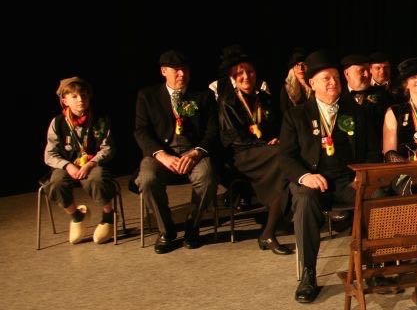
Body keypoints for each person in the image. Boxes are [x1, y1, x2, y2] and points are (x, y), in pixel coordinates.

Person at [278, 50, 381, 303]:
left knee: (378, 194)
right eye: (326, 78)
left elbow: (372, 152)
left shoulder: (357, 112)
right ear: (312, 83)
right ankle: (308, 274)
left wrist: (363, 176)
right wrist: (305, 176)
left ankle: (376, 265)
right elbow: (286, 158)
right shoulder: (296, 115)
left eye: (336, 77)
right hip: (313, 182)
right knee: (304, 200)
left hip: (348, 181)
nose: (333, 82)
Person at [134, 50, 219, 253]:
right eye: (177, 70)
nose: (182, 74)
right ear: (164, 71)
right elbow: (141, 131)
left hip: (193, 152)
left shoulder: (203, 95)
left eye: (185, 69)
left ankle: (193, 226)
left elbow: (213, 130)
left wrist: (196, 152)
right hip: (161, 153)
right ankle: (166, 231)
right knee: (147, 179)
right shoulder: (148, 96)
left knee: (208, 176)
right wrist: (162, 155)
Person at [217, 48, 293, 255]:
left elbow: (277, 126)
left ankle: (269, 232)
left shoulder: (264, 99)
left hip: (267, 152)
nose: (246, 77)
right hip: (241, 156)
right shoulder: (228, 102)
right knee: (284, 158)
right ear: (233, 77)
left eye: (250, 72)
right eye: (240, 73)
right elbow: (234, 139)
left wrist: (276, 139)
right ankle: (271, 228)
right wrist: (266, 145)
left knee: (287, 164)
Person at [44, 77, 117, 244]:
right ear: (65, 101)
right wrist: (67, 166)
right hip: (67, 165)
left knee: (97, 179)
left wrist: (91, 163)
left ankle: (108, 216)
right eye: (75, 96)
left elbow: (108, 148)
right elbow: (50, 154)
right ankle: (77, 216)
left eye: (84, 95)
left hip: (93, 164)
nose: (81, 100)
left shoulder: (100, 120)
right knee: (56, 183)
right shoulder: (58, 122)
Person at [342, 52, 388, 126]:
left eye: (368, 70)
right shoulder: (338, 97)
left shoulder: (383, 95)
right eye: (361, 70)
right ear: (347, 73)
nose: (367, 74)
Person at [280, 48, 310, 115]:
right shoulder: (286, 89)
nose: (301, 68)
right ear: (292, 69)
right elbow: (285, 113)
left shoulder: (316, 85)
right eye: (297, 65)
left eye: (304, 64)